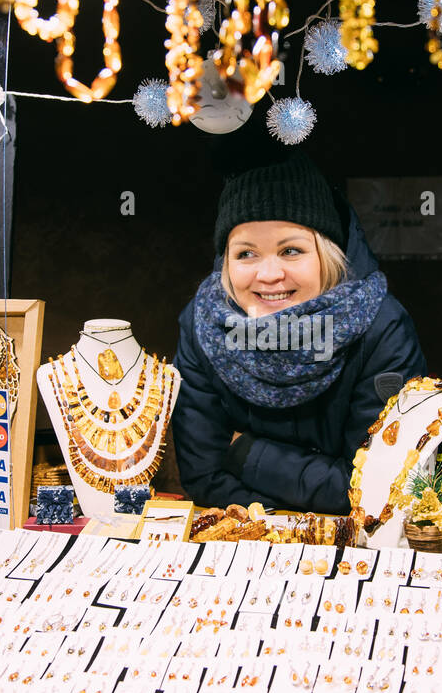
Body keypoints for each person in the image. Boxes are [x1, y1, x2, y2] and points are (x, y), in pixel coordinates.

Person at [172, 150, 428, 513]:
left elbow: (375, 489)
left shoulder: (380, 327)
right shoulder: (203, 324)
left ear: (328, 254)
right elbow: (203, 476)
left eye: (291, 250)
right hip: (244, 542)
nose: (269, 274)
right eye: (246, 254)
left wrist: (245, 451)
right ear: (226, 261)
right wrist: (285, 514)